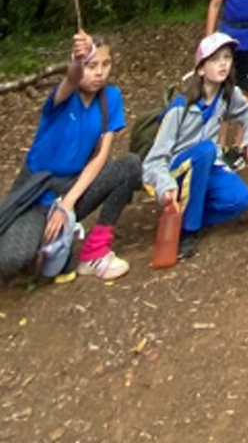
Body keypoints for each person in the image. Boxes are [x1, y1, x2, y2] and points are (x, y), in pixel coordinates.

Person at [0, 32, 142, 282]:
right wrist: (77, 61)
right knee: (12, 258)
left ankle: (94, 252)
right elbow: (71, 78)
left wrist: (66, 205)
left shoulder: (110, 98)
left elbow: (100, 157)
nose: (99, 73)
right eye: (91, 65)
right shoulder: (64, 96)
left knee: (129, 166)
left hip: (73, 187)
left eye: (105, 64)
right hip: (37, 192)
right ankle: (41, 243)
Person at [142, 33, 248, 260]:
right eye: (215, 59)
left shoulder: (227, 95)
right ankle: (189, 232)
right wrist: (164, 185)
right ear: (201, 69)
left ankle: (184, 216)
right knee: (205, 150)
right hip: (178, 170)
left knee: (240, 199)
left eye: (227, 57)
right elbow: (153, 161)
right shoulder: (180, 108)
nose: (223, 64)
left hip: (208, 164)